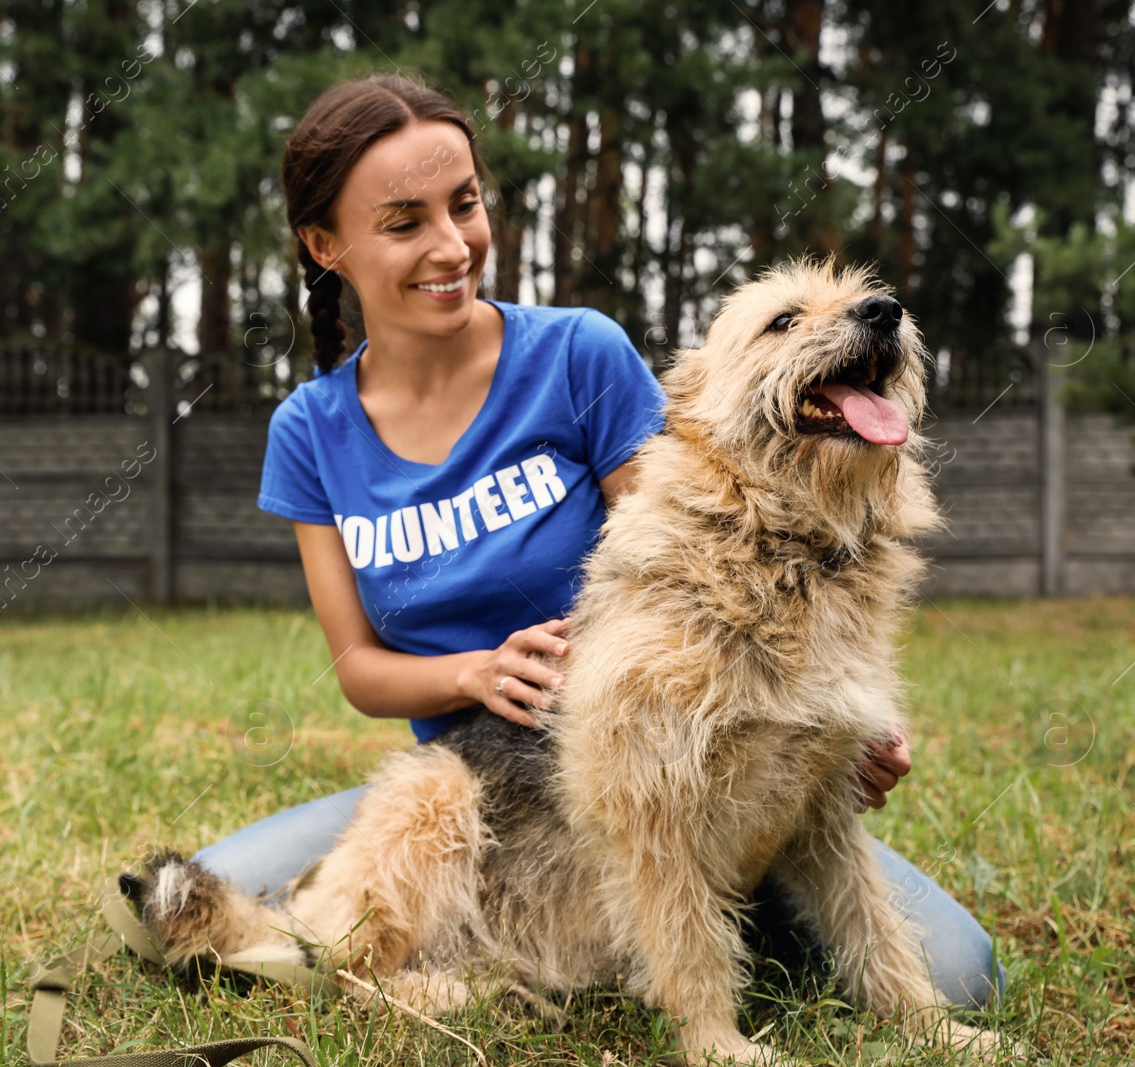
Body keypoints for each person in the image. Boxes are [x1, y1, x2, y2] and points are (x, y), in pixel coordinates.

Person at [195, 72, 1002, 1011]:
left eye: (466, 204)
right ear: (325, 243)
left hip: (679, 770)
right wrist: (474, 673)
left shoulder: (579, 355)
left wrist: (824, 711)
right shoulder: (308, 431)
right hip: (479, 784)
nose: (453, 245)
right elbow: (358, 668)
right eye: (405, 221)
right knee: (208, 897)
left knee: (960, 974)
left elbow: (705, 534)